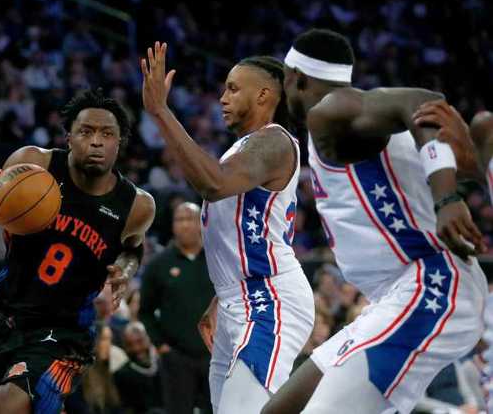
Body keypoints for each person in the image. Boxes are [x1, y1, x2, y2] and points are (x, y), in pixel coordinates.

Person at [262, 28, 487, 414]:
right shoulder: (355, 123)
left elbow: (423, 102)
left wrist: (447, 199)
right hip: (395, 296)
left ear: (295, 78)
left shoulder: (329, 110)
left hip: (429, 283)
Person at [141, 42, 314, 413]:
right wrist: (222, 293)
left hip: (267, 300)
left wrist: (160, 112)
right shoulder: (244, 149)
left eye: (233, 89)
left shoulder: (275, 140)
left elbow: (213, 183)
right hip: (239, 299)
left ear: (264, 95)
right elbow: (244, 232)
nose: (222, 98)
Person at [0, 88, 155, 414]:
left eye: (107, 134)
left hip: (66, 335)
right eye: (86, 132)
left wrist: (125, 270)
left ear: (119, 142)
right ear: (69, 137)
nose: (96, 141)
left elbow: (133, 249)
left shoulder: (136, 206)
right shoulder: (34, 164)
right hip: (9, 319)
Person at [139, 202, 214, 414]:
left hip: (215, 354)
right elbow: (145, 311)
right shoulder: (158, 264)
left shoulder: (217, 259)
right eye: (180, 219)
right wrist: (161, 345)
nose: (185, 225)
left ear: (201, 223)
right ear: (172, 225)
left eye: (190, 219)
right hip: (177, 356)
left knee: (219, 408)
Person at [113, 322, 164, 414]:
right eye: (129, 344)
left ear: (148, 339)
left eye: (140, 341)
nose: (136, 348)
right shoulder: (121, 375)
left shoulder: (165, 365)